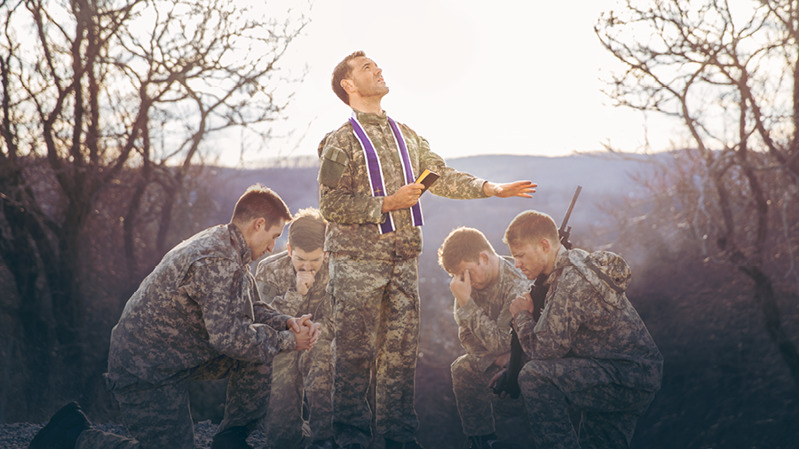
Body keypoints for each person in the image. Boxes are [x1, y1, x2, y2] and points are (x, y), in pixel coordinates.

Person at [317, 50, 537, 449]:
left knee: (399, 360)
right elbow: (330, 206)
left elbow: (440, 177)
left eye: (377, 64)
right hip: (355, 267)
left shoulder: (407, 135)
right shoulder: (340, 143)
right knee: (352, 357)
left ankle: (398, 440)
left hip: (403, 265)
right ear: (349, 86)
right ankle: (349, 441)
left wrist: (491, 188)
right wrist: (387, 203)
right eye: (367, 68)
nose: (379, 69)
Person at [29, 185, 320, 449]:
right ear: (258, 225)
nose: (272, 248)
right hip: (145, 368)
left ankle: (231, 439)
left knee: (261, 353)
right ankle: (74, 435)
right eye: (273, 237)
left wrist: (285, 322)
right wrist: (288, 341)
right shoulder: (217, 260)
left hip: (179, 357)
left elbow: (251, 307)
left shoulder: (231, 248)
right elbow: (231, 339)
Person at [502, 210, 663, 449]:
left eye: (521, 255)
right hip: (632, 374)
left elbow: (546, 350)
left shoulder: (570, 281)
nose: (517, 264)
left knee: (535, 375)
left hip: (622, 376)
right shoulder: (572, 267)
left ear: (544, 245)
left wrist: (522, 316)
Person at [437, 227, 532, 449]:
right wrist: (495, 359)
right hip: (499, 361)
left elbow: (502, 341)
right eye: (459, 276)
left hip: (530, 359)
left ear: (483, 258)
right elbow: (467, 338)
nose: (464, 281)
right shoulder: (468, 286)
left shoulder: (517, 282)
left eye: (467, 272)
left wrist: (467, 304)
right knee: (462, 368)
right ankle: (481, 442)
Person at [254, 208, 334, 449]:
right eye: (300, 259)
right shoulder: (269, 269)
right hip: (284, 343)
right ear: (289, 250)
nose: (307, 267)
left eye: (315, 260)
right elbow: (261, 317)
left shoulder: (336, 270)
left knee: (323, 357)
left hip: (323, 341)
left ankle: (325, 440)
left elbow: (341, 316)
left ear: (326, 253)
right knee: (282, 439)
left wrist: (316, 331)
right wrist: (296, 294)